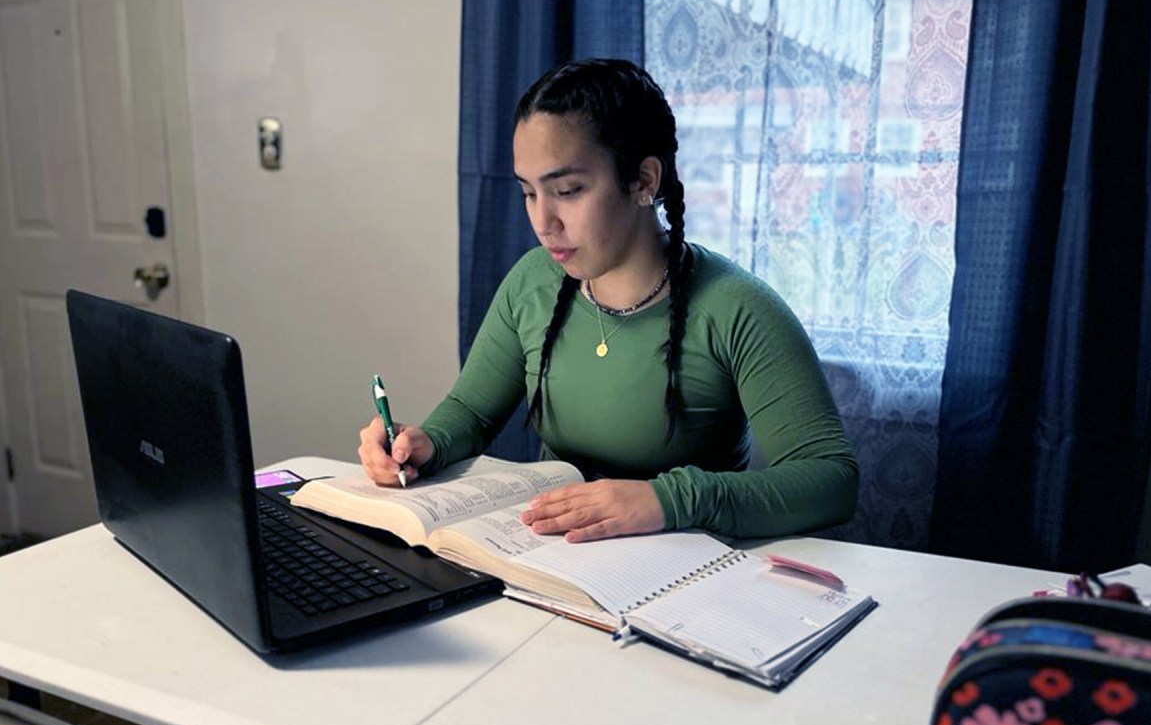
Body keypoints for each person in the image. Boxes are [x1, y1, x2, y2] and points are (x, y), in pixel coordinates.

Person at [358, 58, 857, 543]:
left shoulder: (737, 308)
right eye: (529, 193)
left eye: (568, 190)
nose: (542, 222)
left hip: (688, 582)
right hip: (552, 561)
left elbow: (832, 481)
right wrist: (423, 444)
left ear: (643, 181)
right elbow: (471, 410)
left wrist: (667, 500)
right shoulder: (533, 282)